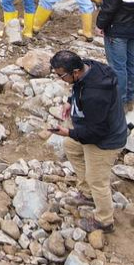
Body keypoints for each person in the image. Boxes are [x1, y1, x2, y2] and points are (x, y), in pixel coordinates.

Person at [49, 49, 128, 233]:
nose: (61, 79)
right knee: (71, 147)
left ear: (75, 72)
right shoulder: (89, 66)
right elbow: (78, 87)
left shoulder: (96, 95)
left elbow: (95, 133)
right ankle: (87, 193)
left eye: (62, 76)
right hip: (93, 127)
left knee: (97, 179)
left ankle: (104, 221)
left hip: (106, 140)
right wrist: (71, 100)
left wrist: (67, 132)